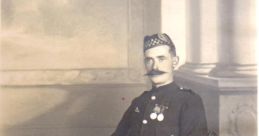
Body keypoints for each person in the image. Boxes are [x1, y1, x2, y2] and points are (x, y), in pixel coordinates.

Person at [111, 33, 208, 136]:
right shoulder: (139, 102)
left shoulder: (189, 101)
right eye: (149, 60)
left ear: (174, 62)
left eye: (161, 59)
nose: (155, 67)